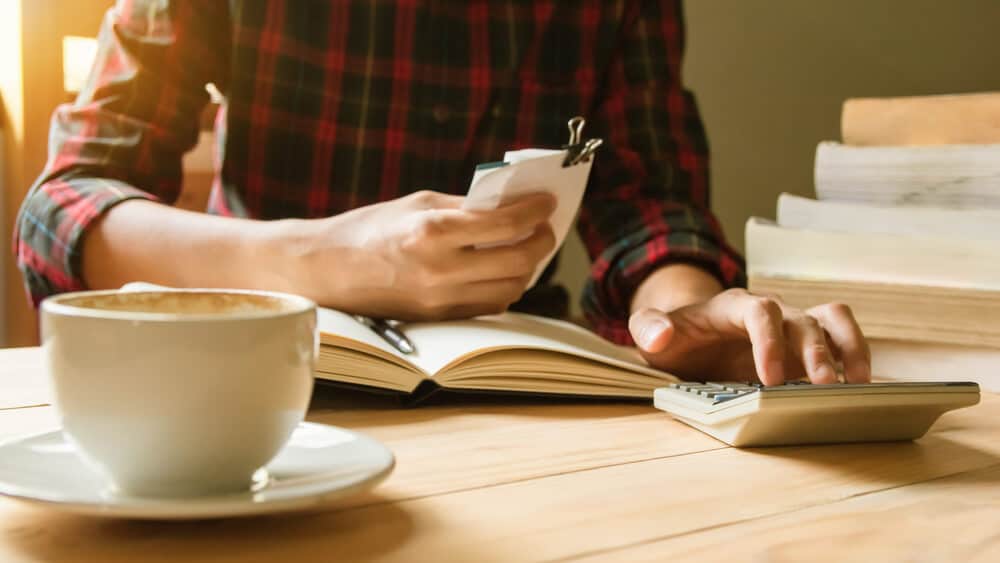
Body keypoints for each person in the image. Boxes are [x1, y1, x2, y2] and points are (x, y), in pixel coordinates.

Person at [15, 0, 869, 386]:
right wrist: (325, 258)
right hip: (253, 384)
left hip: (518, 387)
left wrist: (687, 314)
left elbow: (650, 206)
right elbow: (64, 212)